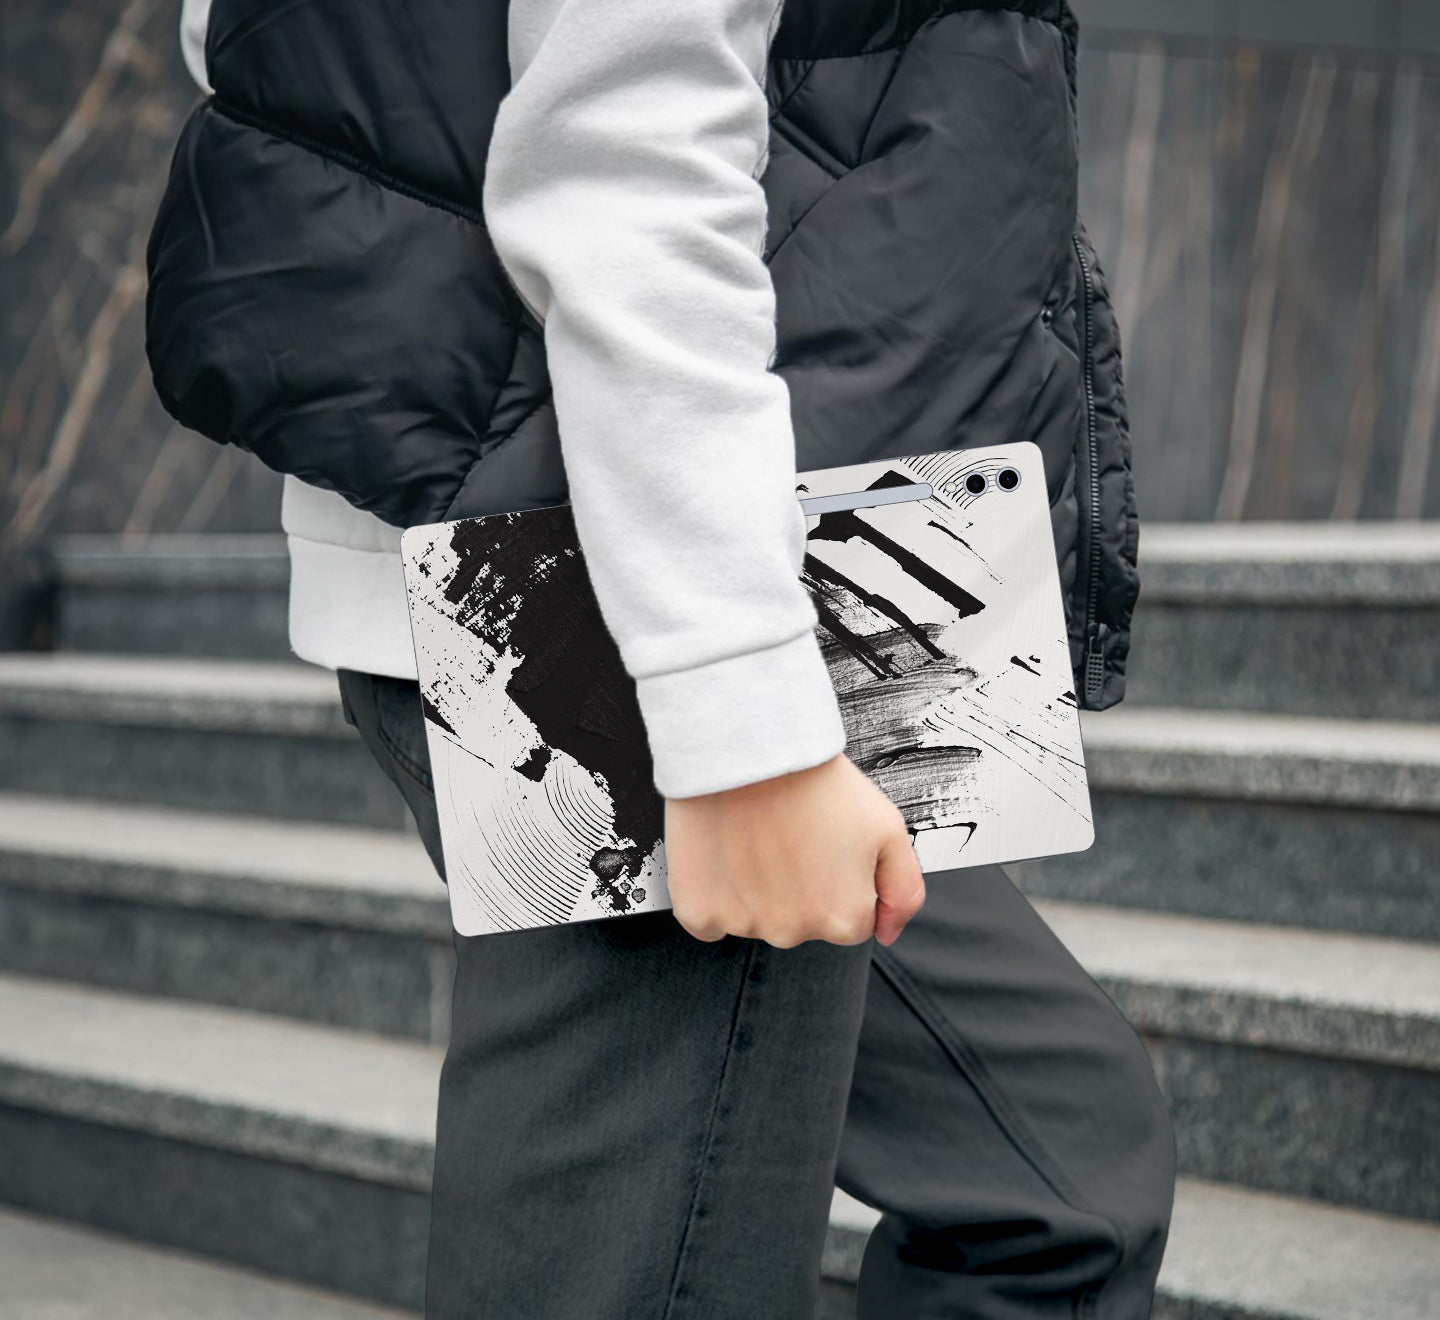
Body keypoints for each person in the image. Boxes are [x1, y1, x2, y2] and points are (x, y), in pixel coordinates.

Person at [150, 0, 1174, 1315]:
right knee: (640, 1269)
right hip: (622, 554)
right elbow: (627, 157)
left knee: (1060, 1182)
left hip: (793, 530)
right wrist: (741, 707)